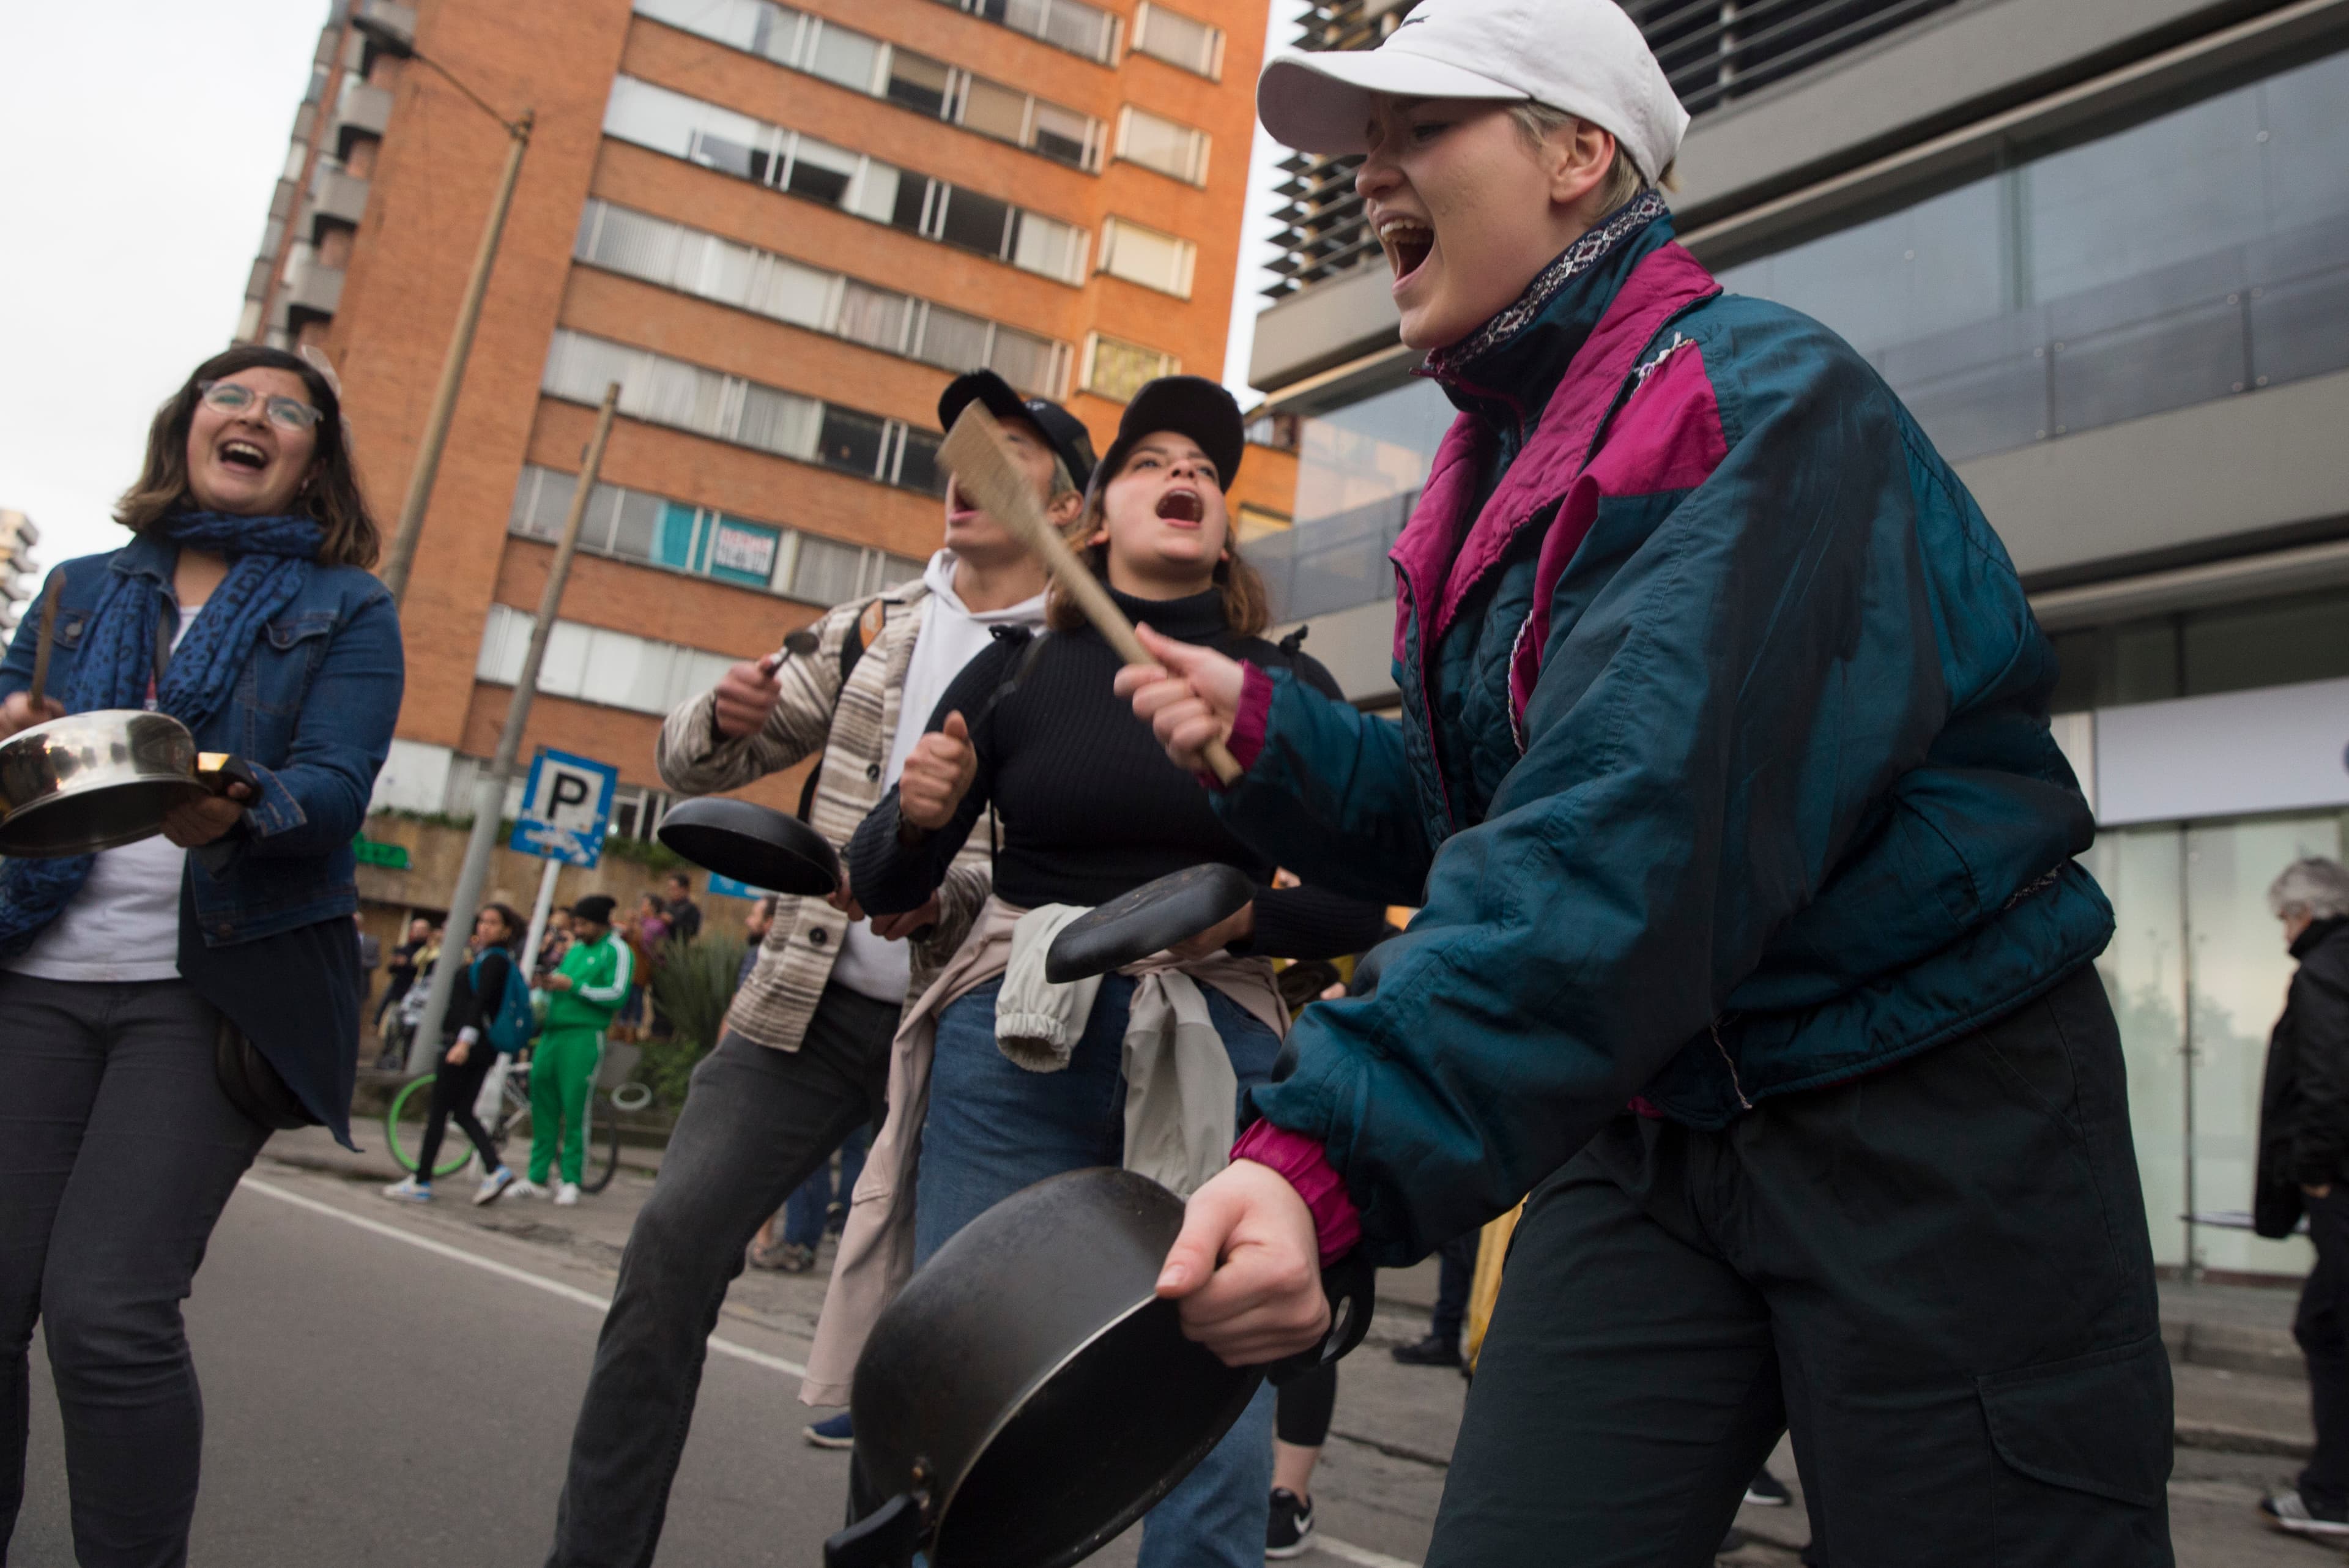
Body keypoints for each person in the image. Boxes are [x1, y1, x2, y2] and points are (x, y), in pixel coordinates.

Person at [1116, 4, 2172, 1562]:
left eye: (1418, 129)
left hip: (1936, 1115)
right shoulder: (1493, 462)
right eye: (1361, 144)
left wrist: (1328, 1150)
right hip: (1654, 1120)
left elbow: (1628, 828)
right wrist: (1277, 740)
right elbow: (1490, 804)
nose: (1369, 174)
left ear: (1575, 152)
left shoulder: (1748, 396)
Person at [821, 376, 1390, 1568]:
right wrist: (915, 817)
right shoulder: (1020, 670)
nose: (1186, 476)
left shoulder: (1284, 689)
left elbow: (1358, 891)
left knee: (1201, 1403)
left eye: (1207, 469)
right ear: (1095, 515)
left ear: (1222, 524)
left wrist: (1239, 927)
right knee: (979, 1391)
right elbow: (882, 883)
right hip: (1012, 1046)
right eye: (1153, 461)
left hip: (1217, 1048)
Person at [543, 370, 1096, 1567]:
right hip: (802, 1010)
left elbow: (1078, 863)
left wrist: (939, 892)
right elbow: (689, 764)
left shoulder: (1083, 661)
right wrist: (723, 716)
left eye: (1011, 448)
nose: (970, 466)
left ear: (1072, 503)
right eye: (962, 446)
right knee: (666, 1255)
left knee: (921, 1340)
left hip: (972, 1035)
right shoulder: (870, 626)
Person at [0, 343, 401, 1565]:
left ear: (312, 463)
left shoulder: (346, 606)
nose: (254, 415)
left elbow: (334, 793)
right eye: (230, 396)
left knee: (107, 1315)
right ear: (187, 428)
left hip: (207, 990)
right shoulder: (73, 590)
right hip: (34, 977)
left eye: (289, 410)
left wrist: (233, 803)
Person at [2257, 858, 2349, 1538]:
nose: (2285, 932)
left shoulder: (2323, 974)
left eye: (2286, 917)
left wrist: (2314, 1172)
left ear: (2308, 913)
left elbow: (2325, 1079)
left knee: (2328, 1326)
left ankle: (2333, 1496)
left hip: (2340, 1188)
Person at [383, 902, 527, 1206]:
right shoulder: (489, 958)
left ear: (506, 930)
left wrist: (464, 1041)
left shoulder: (495, 962)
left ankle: (422, 1180)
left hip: (469, 1045)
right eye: (482, 921)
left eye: (493, 923)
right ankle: (495, 1169)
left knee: (439, 1111)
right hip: (478, 1046)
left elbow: (480, 1004)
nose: (484, 927)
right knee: (461, 1111)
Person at [518, 894, 633, 1206]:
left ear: (599, 923)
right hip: (553, 1033)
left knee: (575, 1106)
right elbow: (566, 981)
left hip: (584, 1035)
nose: (577, 930)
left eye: (582, 924)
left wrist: (575, 987)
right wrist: (549, 985)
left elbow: (618, 993)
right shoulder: (576, 949)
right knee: (542, 1102)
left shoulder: (618, 950)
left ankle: (571, 1179)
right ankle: (537, 1176)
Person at [374, 915, 432, 1068]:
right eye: (416, 929)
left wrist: (407, 964)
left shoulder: (427, 951)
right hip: (399, 995)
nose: (418, 933)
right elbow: (391, 969)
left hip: (417, 1001)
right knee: (393, 1030)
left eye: (421, 930)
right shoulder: (404, 948)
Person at [663, 870, 702, 942]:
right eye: (669, 888)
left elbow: (693, 932)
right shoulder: (667, 906)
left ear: (684, 889)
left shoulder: (692, 909)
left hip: (679, 950)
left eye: (673, 888)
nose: (670, 891)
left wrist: (672, 922)